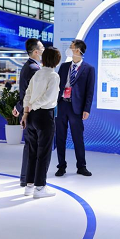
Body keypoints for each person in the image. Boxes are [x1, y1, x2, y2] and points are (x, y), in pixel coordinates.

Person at [20, 47, 61, 199]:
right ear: (56, 60)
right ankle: (40, 187)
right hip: (44, 115)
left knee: (32, 152)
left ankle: (29, 186)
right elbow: (49, 98)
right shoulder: (54, 76)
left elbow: (27, 94)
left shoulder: (38, 74)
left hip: (31, 116)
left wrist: (26, 112)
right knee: (44, 152)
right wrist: (34, 106)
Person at [55, 39, 95, 177]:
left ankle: (81, 166)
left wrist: (87, 109)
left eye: (71, 47)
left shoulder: (89, 69)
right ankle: (61, 166)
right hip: (62, 105)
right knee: (60, 137)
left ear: (77, 50)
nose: (69, 49)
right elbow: (58, 86)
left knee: (78, 138)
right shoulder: (64, 66)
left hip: (76, 108)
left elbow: (90, 91)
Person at [13, 38, 43, 187]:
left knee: (30, 146)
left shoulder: (30, 66)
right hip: (31, 112)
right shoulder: (34, 69)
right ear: (36, 51)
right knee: (32, 147)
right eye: (42, 48)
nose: (44, 50)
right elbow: (29, 94)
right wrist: (20, 107)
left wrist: (18, 107)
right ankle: (27, 178)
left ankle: (26, 177)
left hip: (27, 110)